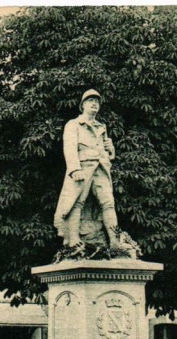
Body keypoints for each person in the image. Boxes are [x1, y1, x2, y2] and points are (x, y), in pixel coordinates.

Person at [53, 89, 120, 249]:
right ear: (82, 105)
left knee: (108, 203)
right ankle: (74, 239)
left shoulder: (101, 126)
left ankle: (115, 242)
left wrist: (111, 150)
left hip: (101, 168)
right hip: (82, 168)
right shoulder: (73, 124)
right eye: (90, 101)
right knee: (76, 202)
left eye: (97, 101)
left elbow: (106, 152)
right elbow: (69, 148)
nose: (94, 104)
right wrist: (75, 169)